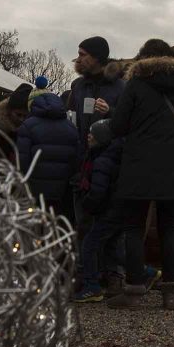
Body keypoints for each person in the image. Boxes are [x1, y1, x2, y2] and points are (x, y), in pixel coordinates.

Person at [105, 39, 174, 310]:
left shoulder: (136, 84)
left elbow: (119, 126)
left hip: (139, 164)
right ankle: (171, 294)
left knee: (134, 227)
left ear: (143, 58)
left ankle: (133, 291)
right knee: (171, 227)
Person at [68, 36, 126, 241]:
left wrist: (111, 111)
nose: (78, 59)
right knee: (83, 221)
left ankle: (112, 269)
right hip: (83, 163)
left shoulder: (120, 86)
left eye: (83, 55)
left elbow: (130, 120)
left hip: (110, 162)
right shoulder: (79, 86)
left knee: (111, 224)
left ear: (97, 57)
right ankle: (85, 268)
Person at [73, 119, 128, 303]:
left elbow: (98, 192)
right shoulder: (111, 156)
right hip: (117, 210)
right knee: (113, 249)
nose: (88, 136)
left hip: (107, 211)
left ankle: (92, 286)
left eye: (92, 133)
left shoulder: (101, 161)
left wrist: (87, 204)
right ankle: (146, 272)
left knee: (89, 245)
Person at [17, 87, 79, 212]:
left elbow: (22, 161)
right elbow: (75, 159)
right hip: (61, 190)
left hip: (34, 189)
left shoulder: (28, 125)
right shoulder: (71, 127)